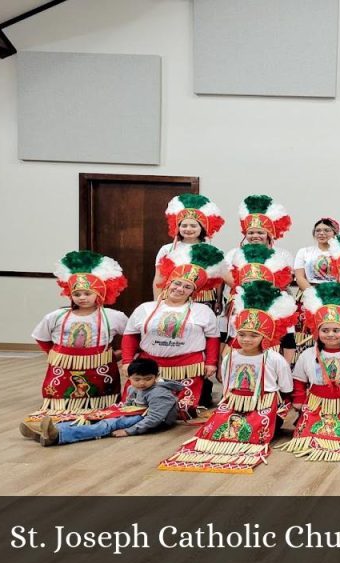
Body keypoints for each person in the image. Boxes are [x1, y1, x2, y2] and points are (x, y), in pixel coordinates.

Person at [159, 281, 297, 473]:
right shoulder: (230, 356)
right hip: (234, 401)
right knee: (214, 430)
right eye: (242, 335)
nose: (246, 339)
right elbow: (227, 384)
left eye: (253, 336)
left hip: (264, 402)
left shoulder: (274, 358)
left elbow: (286, 388)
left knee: (256, 430)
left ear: (264, 337)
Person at [25, 251, 129, 425]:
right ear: (70, 295)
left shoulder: (113, 316)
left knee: (101, 407)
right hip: (62, 368)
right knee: (59, 405)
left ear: (99, 294)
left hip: (100, 369)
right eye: (77, 294)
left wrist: (119, 355)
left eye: (87, 293)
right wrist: (55, 355)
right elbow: (42, 337)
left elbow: (130, 338)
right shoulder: (56, 316)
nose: (82, 298)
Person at [124, 243, 226, 419]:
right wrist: (127, 360)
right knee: (136, 409)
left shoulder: (203, 311)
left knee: (182, 411)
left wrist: (210, 362)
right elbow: (130, 335)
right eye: (177, 284)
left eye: (187, 287)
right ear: (168, 283)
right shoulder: (145, 308)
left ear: (193, 292)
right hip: (150, 367)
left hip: (187, 367)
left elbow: (212, 338)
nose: (180, 289)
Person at [280, 282, 340, 462]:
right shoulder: (308, 355)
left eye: (336, 330)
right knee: (306, 437)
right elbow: (299, 381)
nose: (330, 334)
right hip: (317, 404)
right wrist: (300, 400)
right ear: (317, 332)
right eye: (325, 330)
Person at [22, 358, 181, 447]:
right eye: (137, 379)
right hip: (136, 413)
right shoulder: (133, 388)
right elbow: (127, 405)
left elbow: (155, 418)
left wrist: (129, 431)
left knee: (109, 424)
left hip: (152, 420)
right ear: (129, 378)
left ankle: (58, 435)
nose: (142, 383)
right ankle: (51, 431)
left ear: (156, 376)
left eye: (148, 379)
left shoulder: (159, 393)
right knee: (97, 416)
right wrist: (110, 412)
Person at [225, 243, 297, 361]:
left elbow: (289, 343)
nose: (253, 287)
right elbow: (231, 337)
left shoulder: (281, 305)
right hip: (240, 357)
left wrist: (286, 367)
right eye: (248, 283)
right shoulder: (237, 303)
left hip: (269, 358)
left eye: (258, 283)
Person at [153, 194, 225, 308]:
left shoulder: (212, 250)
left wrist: (219, 301)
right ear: (178, 227)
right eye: (184, 225)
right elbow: (159, 278)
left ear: (201, 228)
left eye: (193, 226)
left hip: (203, 300)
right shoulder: (167, 249)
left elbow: (219, 279)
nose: (188, 229)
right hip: (173, 298)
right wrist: (156, 303)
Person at [294, 218, 340, 291]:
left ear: (335, 233)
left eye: (326, 230)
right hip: (309, 294)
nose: (321, 233)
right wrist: (313, 295)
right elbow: (299, 277)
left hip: (336, 294)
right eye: (318, 230)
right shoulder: (304, 252)